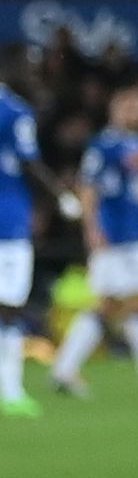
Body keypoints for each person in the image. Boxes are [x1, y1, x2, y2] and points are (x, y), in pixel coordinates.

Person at [51, 73, 138, 399]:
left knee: (114, 305)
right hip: (115, 238)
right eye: (129, 104)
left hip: (132, 236)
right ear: (115, 107)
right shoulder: (105, 144)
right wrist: (92, 229)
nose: (136, 111)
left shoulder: (132, 146)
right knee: (136, 303)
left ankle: (65, 368)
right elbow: (87, 187)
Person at [0, 67, 38, 419]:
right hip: (9, 222)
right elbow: (30, 163)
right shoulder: (16, 111)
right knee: (10, 307)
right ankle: (10, 391)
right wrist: (57, 197)